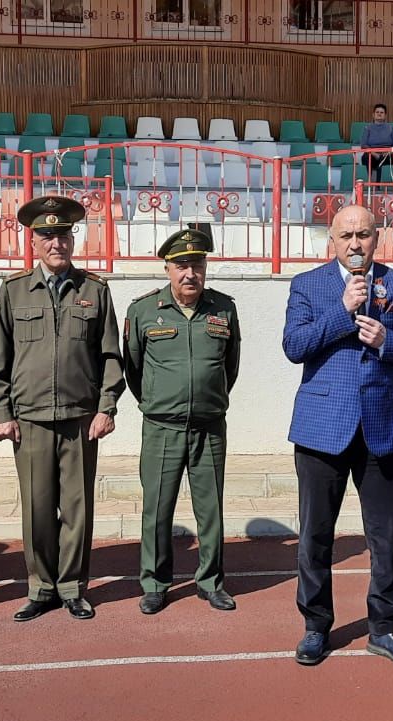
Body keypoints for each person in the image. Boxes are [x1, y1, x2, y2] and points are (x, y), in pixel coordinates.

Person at [284, 204, 393, 668]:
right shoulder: (307, 285)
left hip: (381, 427)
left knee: (386, 536)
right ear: (331, 239)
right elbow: (294, 347)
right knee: (315, 535)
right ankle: (315, 626)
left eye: (364, 235)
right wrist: (342, 310)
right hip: (321, 429)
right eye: (347, 235)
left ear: (377, 238)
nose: (355, 244)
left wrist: (388, 341)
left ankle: (386, 628)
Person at [0, 196, 125, 622]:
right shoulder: (12, 292)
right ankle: (41, 586)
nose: (56, 242)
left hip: (80, 418)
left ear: (72, 239)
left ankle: (72, 587)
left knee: (77, 508)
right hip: (29, 419)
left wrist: (107, 408)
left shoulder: (94, 291)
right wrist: (2, 413)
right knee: (37, 506)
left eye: (63, 234)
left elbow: (110, 357)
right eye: (47, 235)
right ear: (33, 241)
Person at [123, 228, 241, 615]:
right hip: (162, 427)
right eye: (181, 265)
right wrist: (159, 402)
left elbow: (230, 366)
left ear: (205, 267)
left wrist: (209, 398)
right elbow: (133, 370)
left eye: (197, 264)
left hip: (209, 427)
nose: (189, 273)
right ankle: (155, 582)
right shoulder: (143, 311)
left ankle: (211, 582)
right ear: (168, 269)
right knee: (157, 510)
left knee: (211, 511)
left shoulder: (223, 308)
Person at [358, 103, 393, 182]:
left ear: (385, 115)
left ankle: (381, 186)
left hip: (387, 154)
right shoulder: (367, 128)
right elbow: (363, 145)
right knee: (366, 158)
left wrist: (388, 152)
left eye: (381, 112)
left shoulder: (391, 128)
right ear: (373, 115)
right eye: (377, 112)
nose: (379, 114)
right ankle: (368, 184)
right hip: (372, 154)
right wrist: (375, 154)